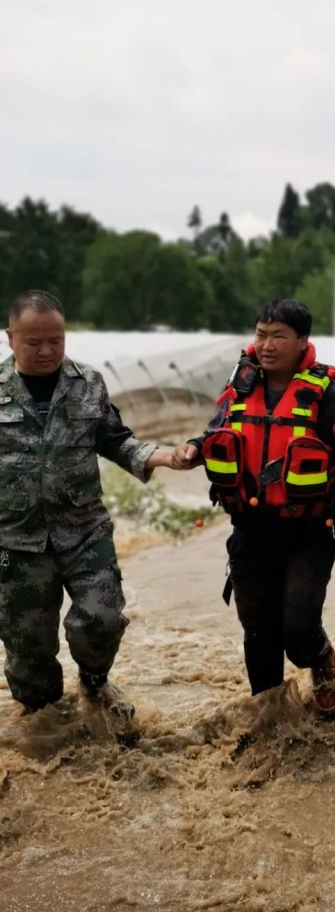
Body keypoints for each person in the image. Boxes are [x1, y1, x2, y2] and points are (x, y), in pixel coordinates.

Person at [172, 299, 335, 712]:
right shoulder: (238, 387)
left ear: (302, 342)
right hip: (251, 531)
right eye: (261, 334)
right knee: (258, 632)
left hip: (309, 532)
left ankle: (321, 658)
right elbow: (215, 431)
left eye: (279, 336)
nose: (267, 344)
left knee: (297, 629)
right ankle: (270, 718)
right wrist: (193, 447)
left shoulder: (330, 396)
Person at [0, 290, 176, 715]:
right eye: (34, 342)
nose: (47, 350)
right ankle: (46, 724)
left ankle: (95, 683)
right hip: (16, 543)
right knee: (28, 652)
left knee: (102, 619)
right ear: (10, 339)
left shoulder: (88, 383)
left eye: (56, 341)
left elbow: (114, 439)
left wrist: (164, 455)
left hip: (83, 531)